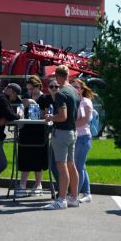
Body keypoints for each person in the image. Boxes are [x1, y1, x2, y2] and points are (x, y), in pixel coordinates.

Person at [48, 67, 80, 209]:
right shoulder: (75, 91)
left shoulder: (61, 93)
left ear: (58, 76)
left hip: (62, 133)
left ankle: (61, 200)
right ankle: (73, 197)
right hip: (73, 132)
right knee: (71, 165)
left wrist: (51, 117)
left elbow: (62, 116)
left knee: (61, 167)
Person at [72, 78, 97, 204]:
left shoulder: (85, 102)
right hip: (75, 137)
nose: (75, 89)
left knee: (78, 167)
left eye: (77, 87)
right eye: (73, 87)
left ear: (82, 89)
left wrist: (69, 125)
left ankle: (74, 195)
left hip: (83, 137)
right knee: (81, 166)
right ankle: (87, 193)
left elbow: (85, 120)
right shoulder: (74, 101)